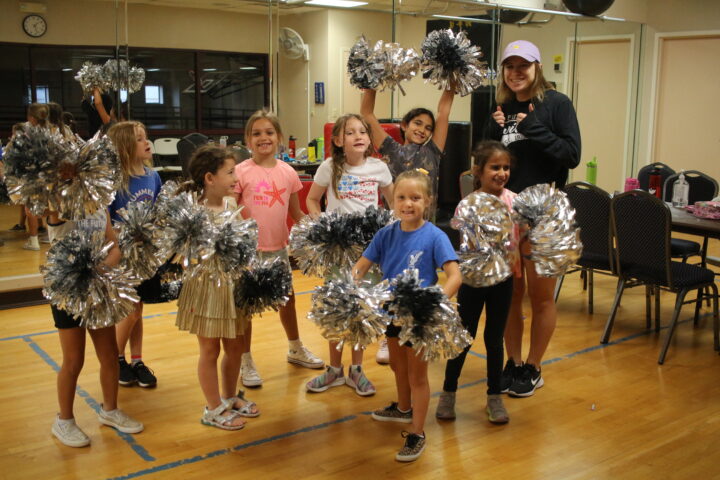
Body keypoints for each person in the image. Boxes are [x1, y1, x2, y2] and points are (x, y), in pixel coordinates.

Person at [486, 40, 581, 397]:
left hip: (546, 211)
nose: (516, 72)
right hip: (506, 212)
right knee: (510, 295)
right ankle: (512, 363)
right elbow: (485, 159)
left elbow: (571, 155)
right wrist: (495, 132)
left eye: (523, 65)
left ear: (537, 67)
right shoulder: (500, 107)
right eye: (509, 66)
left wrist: (535, 128)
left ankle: (534, 366)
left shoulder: (557, 104)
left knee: (541, 297)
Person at [353, 169, 462, 462]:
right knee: (398, 367)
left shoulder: (435, 236)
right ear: (393, 201)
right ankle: (403, 409)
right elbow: (362, 265)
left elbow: (454, 275)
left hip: (419, 318)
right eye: (401, 197)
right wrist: (352, 286)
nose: (408, 203)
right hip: (390, 311)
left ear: (427, 201)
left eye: (415, 198)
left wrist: (435, 301)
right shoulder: (386, 234)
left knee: (417, 375)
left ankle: (417, 431)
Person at [360, 86, 455, 364]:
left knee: (422, 279)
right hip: (396, 228)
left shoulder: (434, 151)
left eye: (427, 127)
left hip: (425, 228)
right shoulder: (391, 149)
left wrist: (450, 81)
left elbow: (444, 112)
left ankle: (421, 328)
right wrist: (371, 86)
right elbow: (367, 113)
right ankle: (388, 337)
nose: (423, 130)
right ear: (404, 125)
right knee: (389, 278)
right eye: (417, 123)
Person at [304, 113, 393, 397]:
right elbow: (311, 199)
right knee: (336, 308)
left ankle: (356, 370)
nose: (358, 136)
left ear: (369, 138)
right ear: (339, 140)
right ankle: (334, 370)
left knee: (361, 310)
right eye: (350, 132)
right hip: (338, 251)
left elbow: (392, 202)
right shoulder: (330, 167)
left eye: (362, 131)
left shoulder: (379, 168)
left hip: (369, 250)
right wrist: (322, 224)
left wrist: (390, 232)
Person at [234, 109, 323, 388]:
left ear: (279, 137)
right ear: (248, 140)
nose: (264, 138)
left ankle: (295, 347)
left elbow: (296, 213)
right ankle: (244, 358)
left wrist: (317, 232)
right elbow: (232, 210)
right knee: (245, 306)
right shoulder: (240, 172)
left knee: (287, 299)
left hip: (278, 248)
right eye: (257, 133)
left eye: (269, 132)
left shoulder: (288, 172)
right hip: (248, 252)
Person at [175, 145, 259, 430]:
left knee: (235, 347)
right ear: (210, 178)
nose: (236, 178)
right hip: (205, 287)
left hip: (233, 286)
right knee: (209, 350)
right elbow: (183, 255)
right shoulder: (192, 211)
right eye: (230, 172)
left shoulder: (232, 206)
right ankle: (212, 408)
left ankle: (230, 395)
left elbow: (242, 244)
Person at [436, 141, 518, 424]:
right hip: (472, 282)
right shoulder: (466, 205)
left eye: (506, 167)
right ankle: (448, 393)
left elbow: (518, 237)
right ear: (478, 172)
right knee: (463, 337)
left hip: (503, 281)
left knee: (495, 340)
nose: (502, 173)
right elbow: (468, 246)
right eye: (495, 167)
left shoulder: (514, 201)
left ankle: (494, 397)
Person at [47, 209, 143, 447]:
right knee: (73, 359)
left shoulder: (101, 205)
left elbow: (114, 245)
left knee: (109, 354)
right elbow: (55, 214)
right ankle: (64, 420)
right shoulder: (59, 204)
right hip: (67, 291)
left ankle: (110, 410)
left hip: (98, 288)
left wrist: (100, 270)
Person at [107, 121, 162, 389]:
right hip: (121, 256)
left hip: (145, 256)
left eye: (146, 136)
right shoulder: (116, 182)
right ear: (126, 147)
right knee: (128, 313)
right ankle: (113, 360)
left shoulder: (153, 176)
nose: (146, 142)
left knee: (137, 311)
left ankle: (136, 360)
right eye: (139, 139)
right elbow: (106, 221)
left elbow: (158, 213)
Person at [22, 103, 50, 251]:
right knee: (48, 205)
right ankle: (47, 233)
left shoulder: (27, 131)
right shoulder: (52, 130)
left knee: (30, 207)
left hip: (33, 174)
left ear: (31, 117)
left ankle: (34, 241)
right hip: (49, 174)